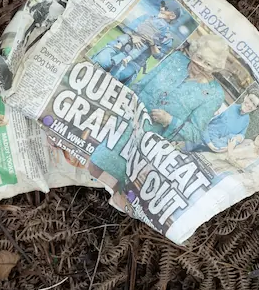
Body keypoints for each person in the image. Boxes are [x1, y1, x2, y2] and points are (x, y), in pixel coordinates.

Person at [89, 35, 230, 188]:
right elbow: (140, 85)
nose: (199, 64)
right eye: (199, 57)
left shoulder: (214, 94)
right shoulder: (175, 59)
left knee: (112, 184)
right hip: (124, 124)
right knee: (93, 166)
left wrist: (170, 121)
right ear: (194, 51)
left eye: (207, 63)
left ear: (215, 67)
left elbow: (195, 132)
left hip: (148, 144)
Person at [109, 0, 182, 83]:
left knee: (117, 75)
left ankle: (126, 60)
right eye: (162, 6)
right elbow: (128, 27)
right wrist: (134, 36)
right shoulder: (148, 17)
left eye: (166, 8)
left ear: (172, 16)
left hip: (135, 61)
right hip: (119, 48)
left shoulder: (167, 36)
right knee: (103, 60)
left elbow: (159, 56)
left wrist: (152, 44)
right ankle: (118, 48)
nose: (161, 8)